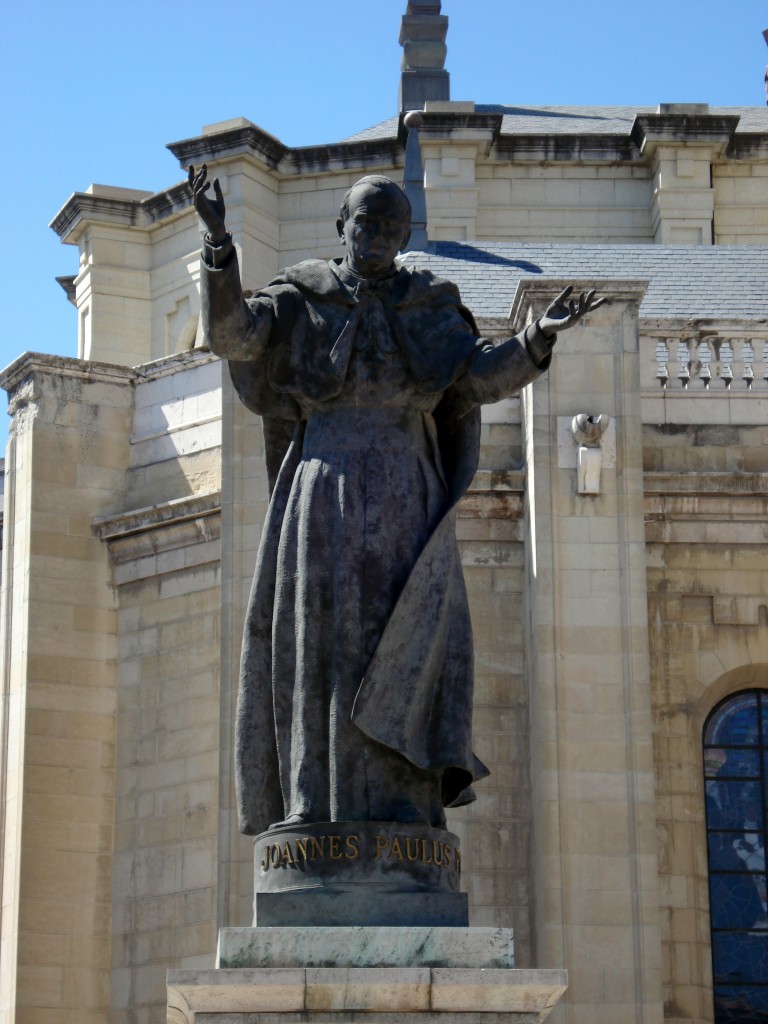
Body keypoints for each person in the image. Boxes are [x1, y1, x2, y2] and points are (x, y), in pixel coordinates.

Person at [190, 164, 603, 836]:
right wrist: (217, 246)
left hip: (407, 493)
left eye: (391, 225)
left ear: (406, 237)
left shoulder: (430, 303)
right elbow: (232, 335)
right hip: (323, 489)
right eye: (366, 220)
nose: (377, 234)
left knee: (409, 638)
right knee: (319, 643)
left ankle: (407, 808)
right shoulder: (300, 295)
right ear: (342, 226)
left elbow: (478, 376)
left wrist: (535, 340)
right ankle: (312, 803)